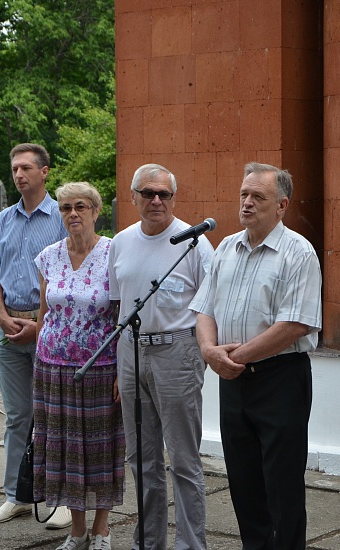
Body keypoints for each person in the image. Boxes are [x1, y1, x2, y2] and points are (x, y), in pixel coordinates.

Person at [190, 162, 322, 549]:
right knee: (244, 483)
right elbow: (205, 309)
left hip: (280, 379)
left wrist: (231, 358)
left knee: (281, 486)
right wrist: (208, 351)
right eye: (244, 194)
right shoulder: (226, 247)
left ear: (281, 205)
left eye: (257, 197)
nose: (247, 203)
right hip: (233, 381)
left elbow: (295, 324)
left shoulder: (298, 252)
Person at [108, 163, 213, 550]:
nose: (156, 201)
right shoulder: (120, 242)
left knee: (183, 461)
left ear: (173, 197)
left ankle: (190, 544)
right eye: (148, 193)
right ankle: (149, 542)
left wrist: (199, 354)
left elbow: (210, 307)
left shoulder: (195, 242)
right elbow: (118, 305)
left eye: (164, 194)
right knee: (142, 460)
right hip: (130, 352)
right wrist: (121, 370)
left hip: (177, 352)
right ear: (133, 196)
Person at [0, 143, 71, 528]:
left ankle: (63, 498)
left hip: (47, 330)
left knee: (56, 415)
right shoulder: (5, 218)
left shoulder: (62, 217)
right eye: (14, 168)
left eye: (26, 168)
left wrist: (40, 323)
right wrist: (1, 318)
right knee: (18, 418)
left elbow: (67, 274)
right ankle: (17, 495)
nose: (19, 174)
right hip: (8, 332)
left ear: (44, 171)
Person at [33, 182, 124, 550]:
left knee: (101, 449)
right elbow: (44, 313)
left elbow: (121, 316)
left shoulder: (114, 254)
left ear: (95, 211)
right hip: (52, 368)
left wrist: (123, 370)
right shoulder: (48, 256)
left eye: (81, 206)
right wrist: (38, 361)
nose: (73, 213)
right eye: (66, 207)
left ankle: (101, 530)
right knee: (64, 449)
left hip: (101, 368)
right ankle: (76, 531)